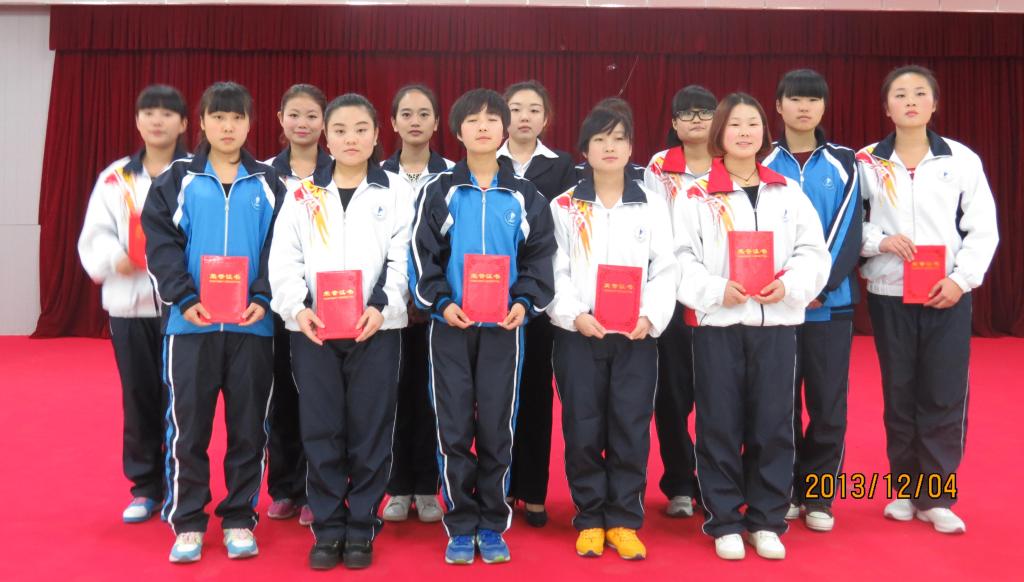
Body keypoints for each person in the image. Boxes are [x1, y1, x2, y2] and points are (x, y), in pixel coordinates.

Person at [674, 93, 830, 561]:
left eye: (753, 124)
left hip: (776, 325)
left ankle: (766, 519)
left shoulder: (787, 192)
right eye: (736, 124)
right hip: (719, 325)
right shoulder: (697, 194)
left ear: (765, 132)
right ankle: (723, 519)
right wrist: (714, 289)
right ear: (720, 132)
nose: (745, 132)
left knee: (773, 423)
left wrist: (791, 285)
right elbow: (679, 258)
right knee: (719, 422)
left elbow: (812, 251)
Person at [409, 88, 556, 564]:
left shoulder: (526, 195)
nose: (484, 127)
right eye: (473, 120)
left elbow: (540, 258)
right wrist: (440, 302)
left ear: (504, 129)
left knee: (496, 427)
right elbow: (422, 256)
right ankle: (459, 522)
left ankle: (492, 522)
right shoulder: (439, 191)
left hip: (504, 331)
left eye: (493, 119)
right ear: (457, 131)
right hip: (450, 327)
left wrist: (525, 302)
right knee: (453, 426)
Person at [270, 93, 415, 570]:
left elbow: (403, 260)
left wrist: (381, 306)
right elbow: (284, 259)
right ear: (326, 139)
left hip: (376, 331)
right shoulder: (302, 195)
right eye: (340, 130)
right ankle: (329, 527)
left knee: (370, 429)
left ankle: (362, 526)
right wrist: (298, 308)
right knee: (321, 428)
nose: (351, 138)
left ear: (376, 135)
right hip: (314, 332)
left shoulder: (397, 193)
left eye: (360, 129)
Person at [142, 81, 284, 563]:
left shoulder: (269, 182)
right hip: (191, 327)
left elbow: (281, 248)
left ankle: (240, 517)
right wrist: (183, 297)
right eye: (218, 117)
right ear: (201, 122)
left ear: (249, 123)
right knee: (189, 430)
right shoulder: (177, 179)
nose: (228, 126)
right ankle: (187, 521)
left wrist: (263, 295)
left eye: (237, 117)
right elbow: (160, 244)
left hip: (252, 328)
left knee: (249, 429)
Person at [857, 65, 998, 535]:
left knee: (943, 392)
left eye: (920, 93)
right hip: (890, 293)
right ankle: (903, 489)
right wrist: (879, 241)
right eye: (900, 94)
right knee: (899, 393)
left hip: (946, 295)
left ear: (935, 104)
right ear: (887, 107)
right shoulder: (867, 163)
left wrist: (962, 280)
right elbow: (850, 225)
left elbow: (983, 228)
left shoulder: (961, 160)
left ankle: (936, 496)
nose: (911, 101)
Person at [549, 106, 676, 560]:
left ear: (630, 148)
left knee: (630, 425)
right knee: (582, 426)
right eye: (600, 139)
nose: (610, 147)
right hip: (580, 334)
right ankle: (588, 517)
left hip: (636, 336)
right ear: (584, 150)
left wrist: (650, 316)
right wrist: (574, 315)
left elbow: (666, 267)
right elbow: (555, 270)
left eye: (619, 138)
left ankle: (623, 519)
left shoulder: (652, 204)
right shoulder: (564, 206)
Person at [77, 84, 189, 524]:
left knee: (184, 400)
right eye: (149, 112)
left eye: (167, 113)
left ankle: (182, 483)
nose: (157, 120)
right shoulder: (115, 178)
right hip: (131, 305)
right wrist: (115, 259)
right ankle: (145, 486)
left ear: (184, 123)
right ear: (138, 121)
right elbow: (96, 231)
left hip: (184, 306)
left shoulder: (195, 175)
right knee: (139, 395)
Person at [763, 69, 861, 532]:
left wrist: (815, 287)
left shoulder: (844, 162)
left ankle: (819, 495)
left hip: (830, 306)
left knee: (827, 404)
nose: (804, 107)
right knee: (777, 402)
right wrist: (789, 288)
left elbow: (848, 230)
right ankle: (782, 488)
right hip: (776, 305)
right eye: (795, 99)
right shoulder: (761, 160)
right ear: (778, 106)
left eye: (813, 100)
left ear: (824, 107)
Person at [498, 80, 576, 527]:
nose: (524, 116)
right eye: (515, 108)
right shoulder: (489, 161)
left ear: (546, 119)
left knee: (535, 394)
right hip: (491, 296)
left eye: (533, 109)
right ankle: (499, 487)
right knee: (494, 397)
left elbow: (563, 235)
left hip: (540, 297)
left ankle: (532, 490)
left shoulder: (562, 166)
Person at [380, 84, 454, 524]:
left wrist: (432, 295)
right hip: (386, 308)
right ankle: (396, 486)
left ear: (437, 123)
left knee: (430, 398)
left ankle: (427, 486)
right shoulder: (375, 175)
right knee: (389, 397)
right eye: (406, 113)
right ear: (392, 122)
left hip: (436, 309)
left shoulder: (451, 176)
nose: (414, 121)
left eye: (424, 113)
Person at [643, 84, 717, 518]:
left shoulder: (734, 161)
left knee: (718, 396)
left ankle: (716, 481)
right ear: (673, 122)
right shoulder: (658, 166)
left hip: (719, 296)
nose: (696, 119)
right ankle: (680, 484)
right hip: (671, 297)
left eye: (705, 111)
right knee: (672, 396)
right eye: (687, 113)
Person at [263, 83, 332, 527]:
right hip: (276, 305)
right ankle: (284, 486)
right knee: (281, 397)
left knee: (320, 399)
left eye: (311, 115)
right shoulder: (263, 174)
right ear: (280, 119)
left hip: (327, 305)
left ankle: (316, 488)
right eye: (294, 115)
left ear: (324, 122)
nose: (302, 123)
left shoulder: (338, 171)